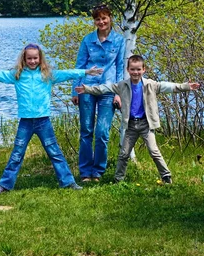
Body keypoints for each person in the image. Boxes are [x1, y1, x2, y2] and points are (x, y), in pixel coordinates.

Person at [0, 42, 103, 193]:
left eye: (35, 58)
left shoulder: (48, 75)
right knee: (17, 153)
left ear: (40, 58)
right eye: (29, 58)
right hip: (26, 122)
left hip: (44, 122)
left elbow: (68, 73)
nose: (32, 61)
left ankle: (68, 182)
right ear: (24, 59)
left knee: (54, 152)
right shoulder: (17, 75)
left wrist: (86, 72)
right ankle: (4, 185)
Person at [75, 54, 200, 183]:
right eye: (133, 69)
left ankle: (166, 176)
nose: (136, 72)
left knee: (154, 151)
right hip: (131, 126)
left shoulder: (150, 84)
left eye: (138, 69)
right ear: (128, 70)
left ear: (144, 70)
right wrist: (87, 89)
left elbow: (169, 86)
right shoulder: (122, 85)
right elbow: (104, 88)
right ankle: (118, 179)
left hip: (146, 124)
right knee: (124, 154)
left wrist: (186, 86)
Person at [72, 4, 125, 182]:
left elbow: (120, 68)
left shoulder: (119, 41)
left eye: (104, 18)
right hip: (86, 89)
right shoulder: (87, 40)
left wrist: (119, 93)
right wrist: (75, 90)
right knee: (86, 130)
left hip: (109, 90)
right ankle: (85, 171)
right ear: (94, 21)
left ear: (110, 18)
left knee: (102, 132)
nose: (101, 22)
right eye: (97, 19)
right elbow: (80, 67)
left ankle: (98, 171)